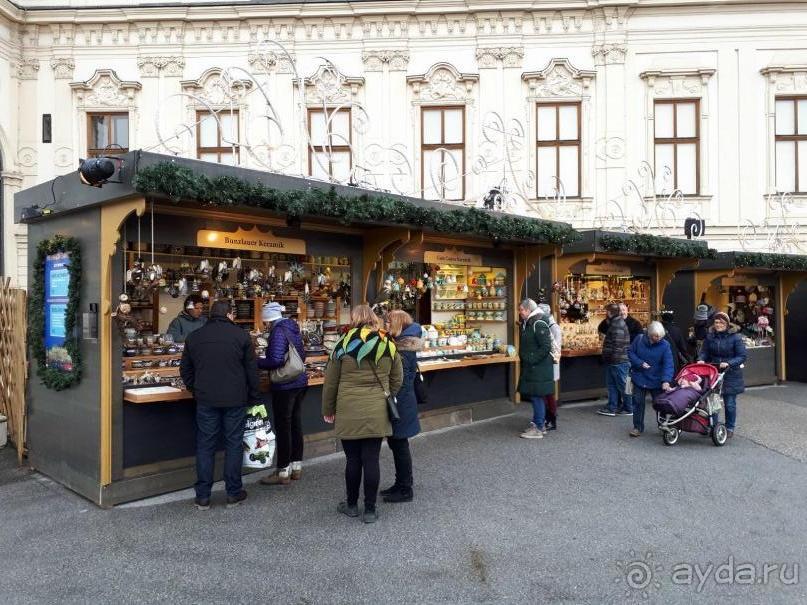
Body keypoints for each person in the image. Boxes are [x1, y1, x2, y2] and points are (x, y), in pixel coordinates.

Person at [322, 304, 403, 523]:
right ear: (373, 319)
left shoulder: (342, 344)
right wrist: (387, 394)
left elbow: (330, 383)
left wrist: (328, 409)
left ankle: (351, 505)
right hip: (377, 409)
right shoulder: (387, 343)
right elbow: (398, 378)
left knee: (352, 460)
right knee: (372, 459)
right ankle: (369, 509)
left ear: (354, 319)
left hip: (348, 409)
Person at [180, 300, 261, 509]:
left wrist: (195, 389)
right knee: (234, 444)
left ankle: (203, 496)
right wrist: (253, 395)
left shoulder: (195, 337)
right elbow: (252, 371)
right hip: (235, 399)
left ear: (209, 314)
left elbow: (185, 370)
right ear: (230, 314)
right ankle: (233, 493)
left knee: (205, 445)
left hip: (206, 399)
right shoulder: (242, 336)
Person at [258, 301, 308, 487]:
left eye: (265, 321)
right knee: (295, 424)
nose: (264, 324)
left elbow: (275, 361)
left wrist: (256, 361)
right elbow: (301, 356)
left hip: (285, 386)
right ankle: (296, 467)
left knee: (283, 427)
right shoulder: (292, 328)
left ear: (269, 320)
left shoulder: (278, 332)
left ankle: (282, 470)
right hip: (300, 382)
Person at [380, 310, 423, 503]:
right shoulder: (405, 342)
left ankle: (405, 488)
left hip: (401, 403)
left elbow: (402, 381)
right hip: (404, 402)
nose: (386, 324)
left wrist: (390, 397)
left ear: (397, 323)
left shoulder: (403, 348)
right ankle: (401, 483)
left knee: (399, 445)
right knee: (397, 444)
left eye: (388, 321)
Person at [698, 311, 747, 438]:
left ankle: (730, 427)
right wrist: (702, 359)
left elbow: (742, 356)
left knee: (729, 403)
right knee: (713, 402)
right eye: (716, 322)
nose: (718, 324)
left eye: (721, 322)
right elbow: (704, 351)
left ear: (727, 323)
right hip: (714, 371)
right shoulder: (710, 336)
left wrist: (729, 363)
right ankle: (713, 426)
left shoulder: (735, 337)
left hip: (730, 373)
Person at [628, 321, 674, 437]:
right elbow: (630, 352)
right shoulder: (639, 339)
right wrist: (640, 363)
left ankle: (663, 425)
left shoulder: (665, 345)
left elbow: (668, 364)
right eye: (655, 336)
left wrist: (666, 380)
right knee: (638, 403)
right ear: (649, 333)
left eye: (660, 336)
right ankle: (637, 427)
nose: (658, 338)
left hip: (657, 379)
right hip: (639, 376)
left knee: (660, 404)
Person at [517, 299, 554, 439]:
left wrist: (531, 359)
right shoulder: (532, 322)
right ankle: (539, 425)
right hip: (536, 367)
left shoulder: (538, 323)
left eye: (521, 310)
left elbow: (546, 346)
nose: (520, 313)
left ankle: (538, 427)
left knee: (537, 396)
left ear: (528, 310)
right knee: (536, 396)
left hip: (538, 367)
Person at [596, 304, 633, 417]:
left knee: (622, 385)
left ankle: (628, 407)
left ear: (610, 312)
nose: (605, 313)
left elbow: (617, 344)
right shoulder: (616, 323)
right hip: (615, 360)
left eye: (606, 311)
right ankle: (612, 407)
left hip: (618, 361)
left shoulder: (617, 324)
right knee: (613, 385)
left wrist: (612, 358)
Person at [538, 303, 562, 430]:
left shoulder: (553, 328)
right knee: (547, 393)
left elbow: (555, 348)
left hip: (551, 363)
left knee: (548, 393)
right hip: (549, 363)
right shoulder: (549, 326)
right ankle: (549, 417)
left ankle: (551, 418)